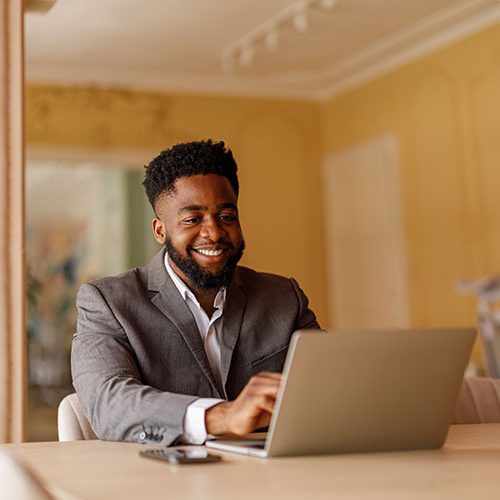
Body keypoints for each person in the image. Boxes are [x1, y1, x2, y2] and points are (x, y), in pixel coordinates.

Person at [71, 139, 319, 446]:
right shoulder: (108, 302)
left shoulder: (284, 296)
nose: (214, 232)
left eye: (226, 217)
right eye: (192, 219)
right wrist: (221, 416)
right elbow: (108, 402)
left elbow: (329, 384)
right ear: (160, 230)